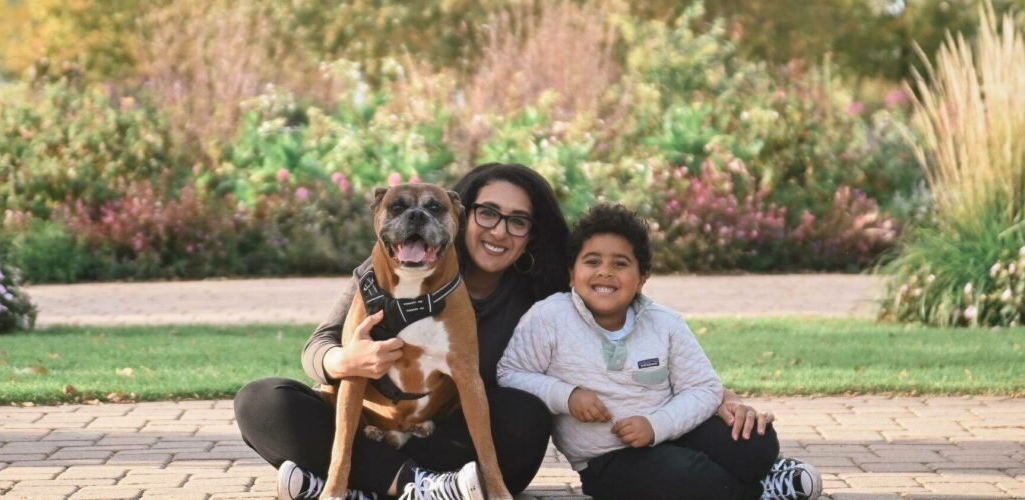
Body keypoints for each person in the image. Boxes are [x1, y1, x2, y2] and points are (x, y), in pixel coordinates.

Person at [234, 163, 806, 500]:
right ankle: (410, 489)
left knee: (525, 411)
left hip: (465, 443)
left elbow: (634, 321)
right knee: (262, 402)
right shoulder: (384, 273)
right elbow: (317, 346)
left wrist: (720, 398)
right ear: (463, 216)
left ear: (531, 235)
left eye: (518, 221)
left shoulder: (547, 293)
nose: (499, 231)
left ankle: (376, 491)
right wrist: (342, 363)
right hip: (381, 427)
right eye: (488, 213)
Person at [497, 204, 822, 500]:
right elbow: (510, 375)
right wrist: (566, 396)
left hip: (676, 432)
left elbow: (704, 388)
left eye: (620, 264)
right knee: (686, 475)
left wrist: (657, 425)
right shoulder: (550, 317)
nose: (605, 272)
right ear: (572, 273)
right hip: (606, 461)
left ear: (641, 279)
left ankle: (755, 475)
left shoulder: (664, 323)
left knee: (758, 443)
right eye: (592, 261)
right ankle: (759, 491)